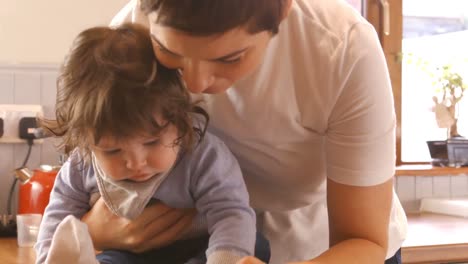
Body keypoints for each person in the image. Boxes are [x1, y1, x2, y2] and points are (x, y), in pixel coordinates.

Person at [82, 0, 408, 263]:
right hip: (198, 240)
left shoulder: (342, 48)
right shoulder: (129, 38)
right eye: (170, 53)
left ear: (283, 8)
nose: (195, 85)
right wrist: (93, 230)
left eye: (230, 58)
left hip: (325, 244)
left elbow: (363, 239)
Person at [35, 23, 270, 264]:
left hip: (200, 246)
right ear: (85, 142)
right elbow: (58, 219)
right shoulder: (81, 165)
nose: (136, 163)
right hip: (132, 255)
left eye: (152, 142)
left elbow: (231, 213)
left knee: (256, 245)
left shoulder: (203, 155)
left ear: (180, 120)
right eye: (112, 150)